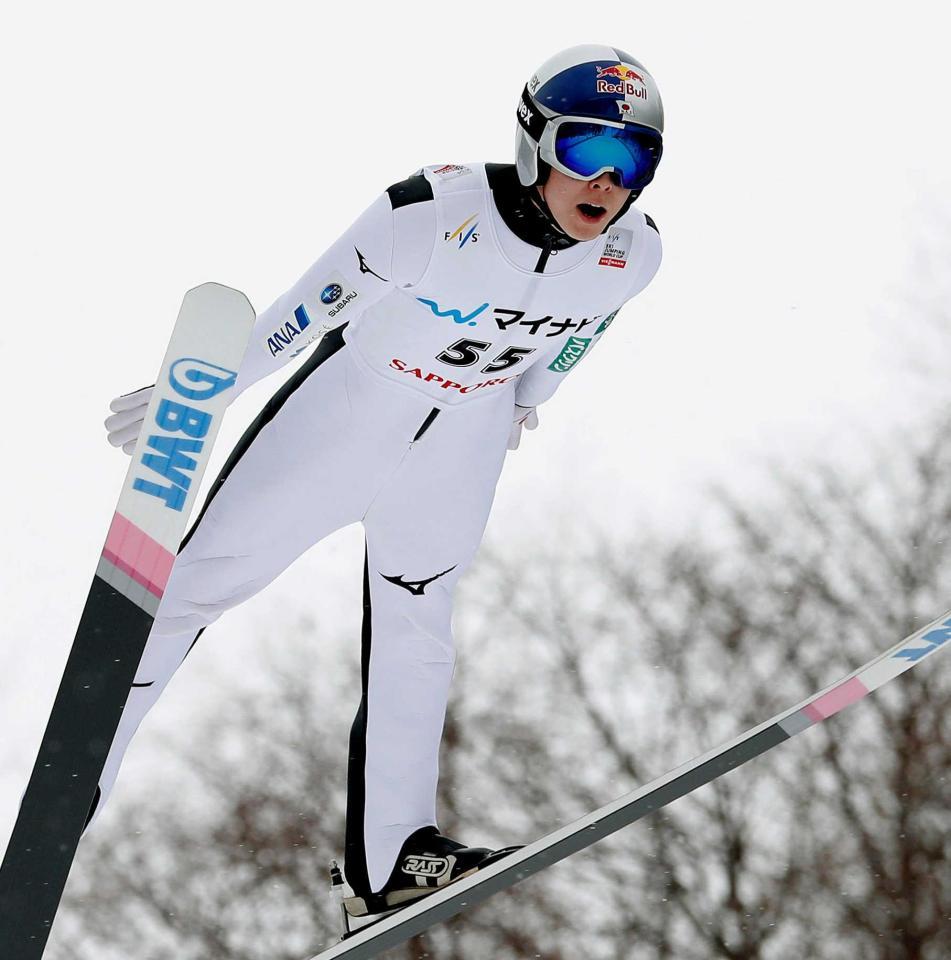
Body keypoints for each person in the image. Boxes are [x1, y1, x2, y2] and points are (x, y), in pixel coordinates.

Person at [99, 42, 665, 922]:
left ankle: (392, 857)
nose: (606, 180)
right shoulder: (429, 213)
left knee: (419, 627)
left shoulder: (633, 253)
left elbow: (581, 331)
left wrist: (528, 400)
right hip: (345, 418)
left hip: (461, 444)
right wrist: (207, 393)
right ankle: (70, 785)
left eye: (633, 159)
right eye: (587, 148)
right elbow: (298, 313)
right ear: (533, 140)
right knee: (189, 591)